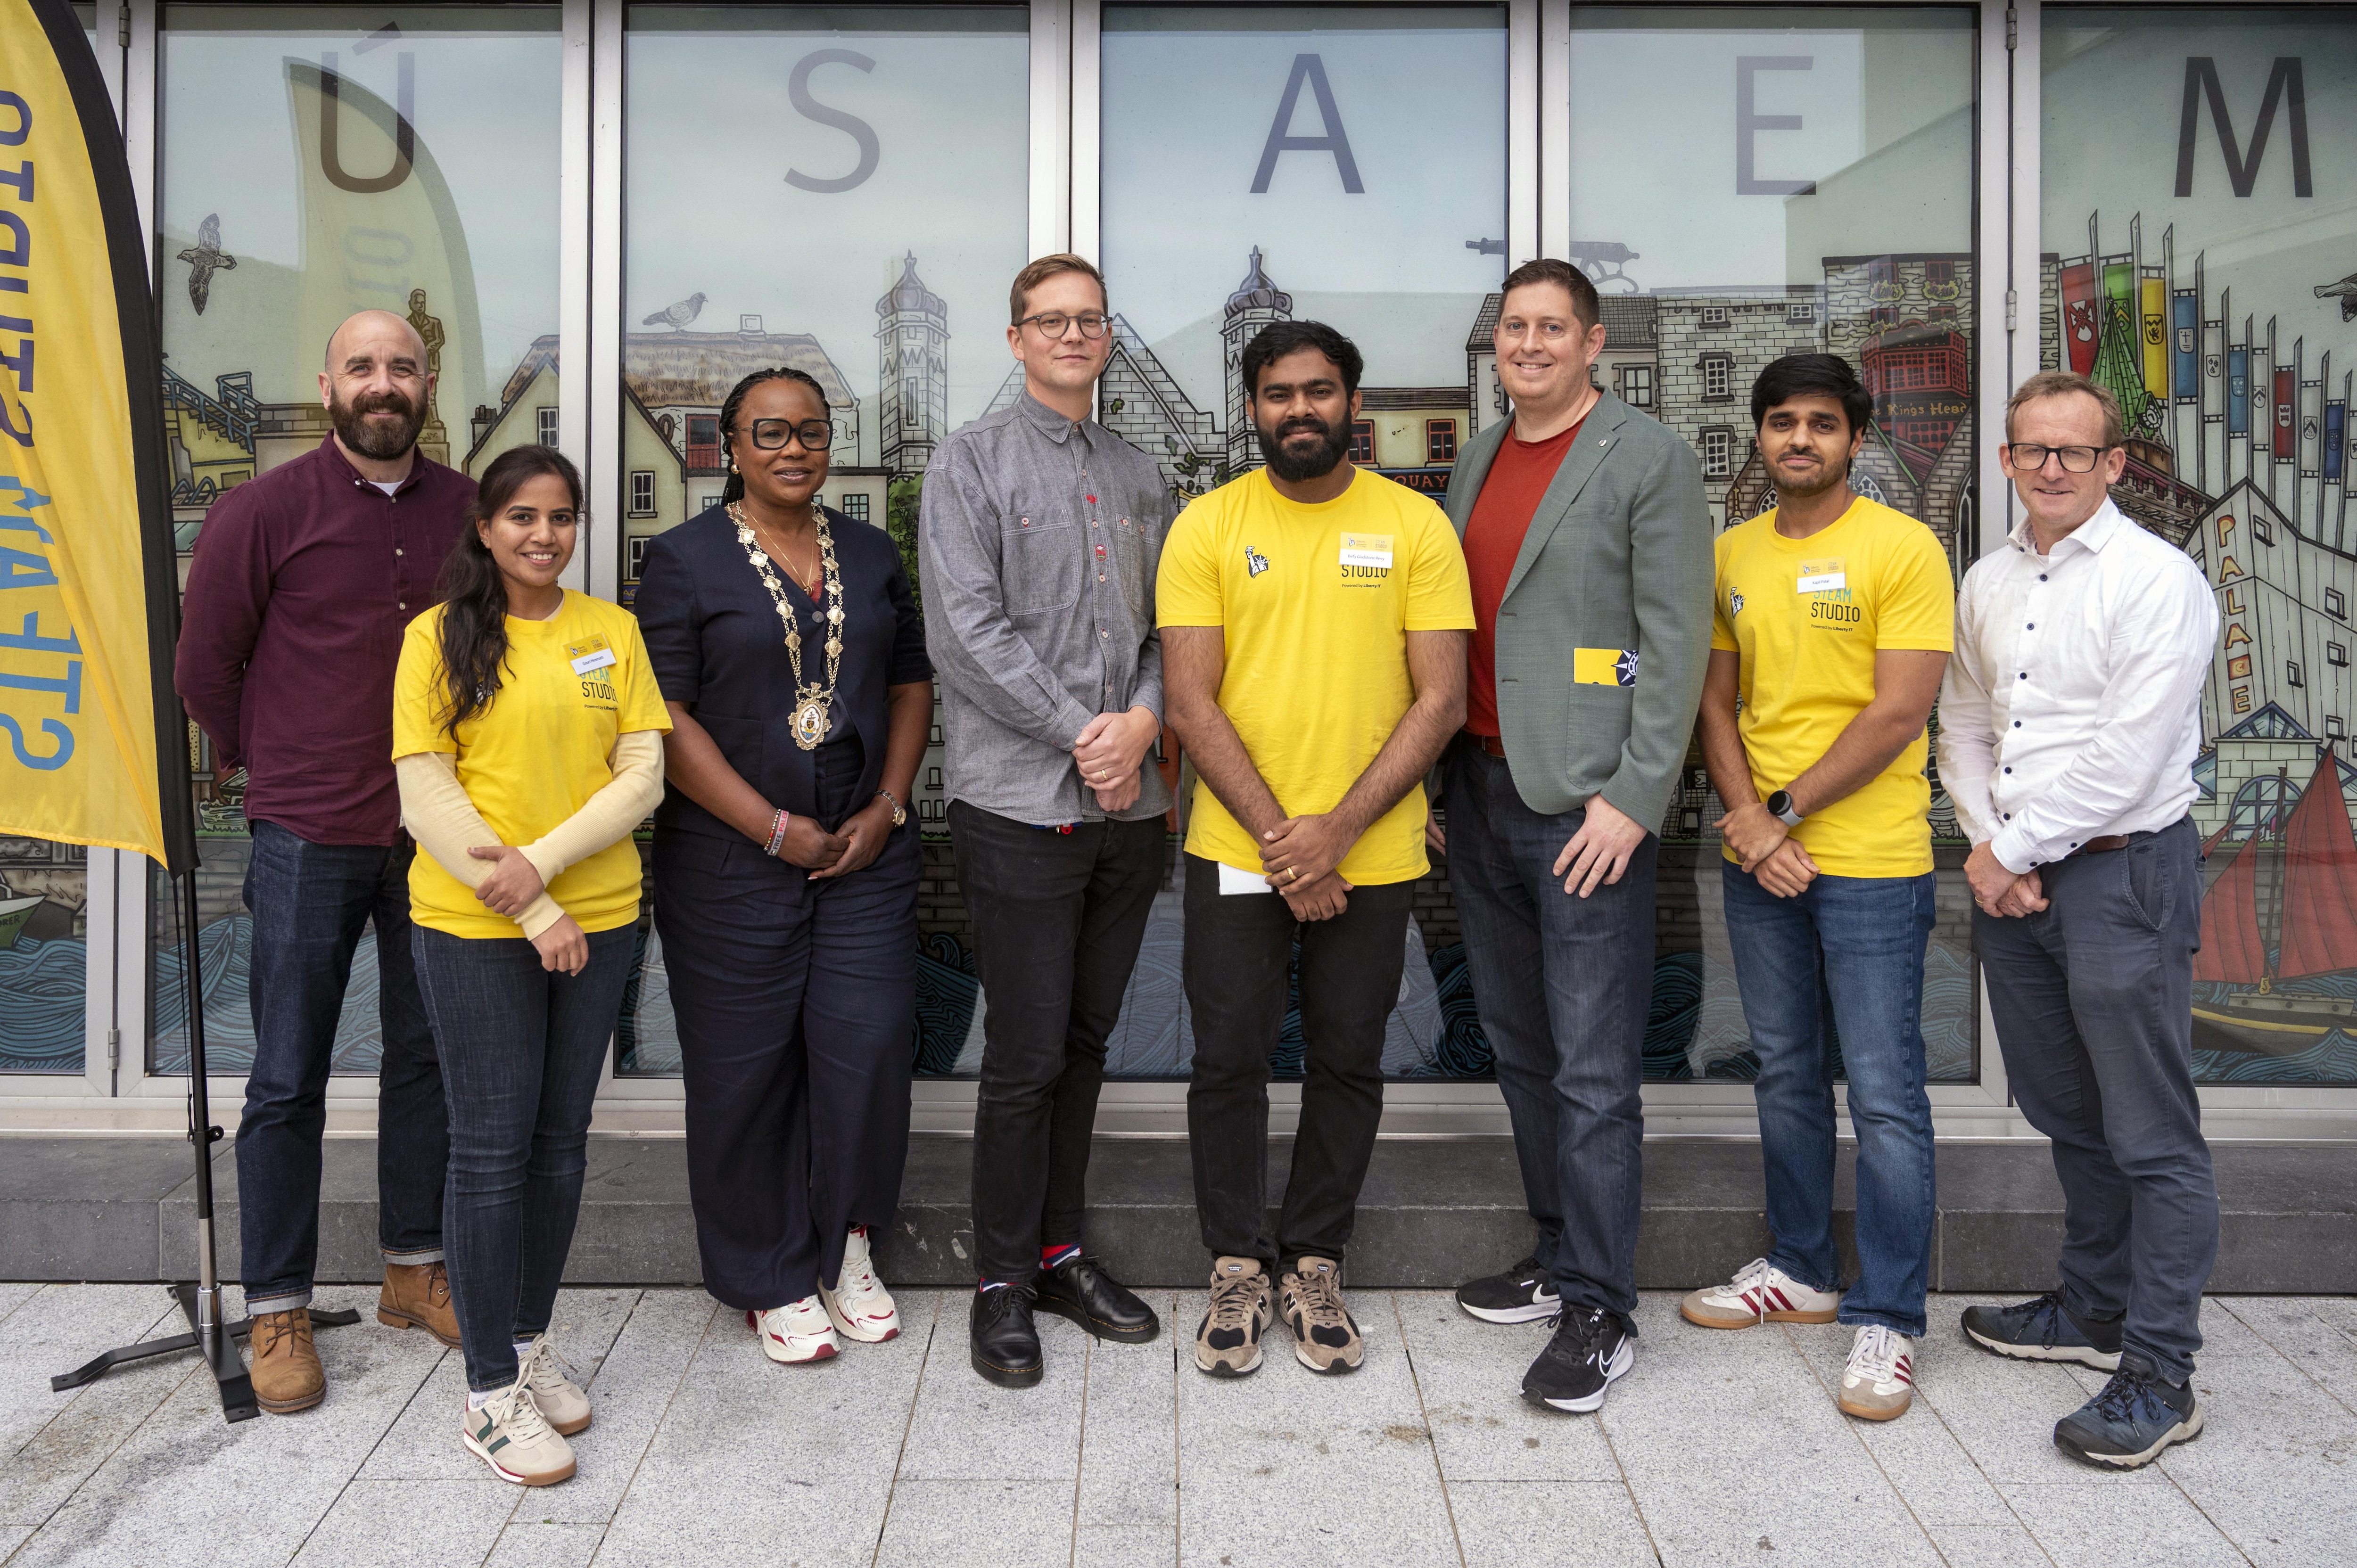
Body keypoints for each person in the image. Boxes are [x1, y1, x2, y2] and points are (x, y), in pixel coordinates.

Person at [1161, 320, 1472, 1379]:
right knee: (1228, 1060)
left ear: (1353, 402)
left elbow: (1442, 698)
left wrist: (1334, 832)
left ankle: (1315, 1260)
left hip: (1370, 851)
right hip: (1236, 845)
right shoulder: (1206, 524)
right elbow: (1190, 702)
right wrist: (1286, 843)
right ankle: (1236, 1263)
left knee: (1347, 1058)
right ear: (1253, 407)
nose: (1301, 409)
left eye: (1320, 390)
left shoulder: (1415, 524)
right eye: (1279, 393)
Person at [175, 308, 469, 1414]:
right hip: (307, 831)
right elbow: (205, 668)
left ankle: (413, 1268)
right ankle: (278, 1304)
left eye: (402, 366)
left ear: (427, 383)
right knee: (288, 1072)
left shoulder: (469, 510)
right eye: (362, 366)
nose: (383, 382)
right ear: (329, 383)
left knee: (425, 1055)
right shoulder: (260, 511)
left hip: (435, 830)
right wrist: (274, 761)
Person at [1439, 258, 1711, 1414]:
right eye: (1515, 326)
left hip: (1586, 804)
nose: (1531, 344)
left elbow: (1676, 640)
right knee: (1520, 1042)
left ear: (1592, 342)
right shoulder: (1477, 457)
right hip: (1479, 788)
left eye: (1553, 327)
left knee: (1595, 1066)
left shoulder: (1648, 458)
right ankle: (1557, 1250)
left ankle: (1601, 1304)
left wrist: (1635, 796)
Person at [1937, 370, 2219, 1469]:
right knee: (2067, 1112)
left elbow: (2128, 755)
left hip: (2122, 871)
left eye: (2073, 450)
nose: (2050, 467)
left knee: (2152, 1134)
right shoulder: (1988, 578)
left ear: (2113, 464)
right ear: (2007, 459)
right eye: (2031, 449)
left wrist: (2005, 853)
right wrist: (1990, 847)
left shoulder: (2158, 579)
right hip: (2016, 880)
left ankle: (2160, 1371)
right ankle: (2092, 1307)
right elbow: (1965, 724)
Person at [632, 367, 931, 1366]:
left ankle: (847, 1243)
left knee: (869, 1048)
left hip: (863, 851)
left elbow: (910, 683)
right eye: (770, 432)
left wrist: (889, 806)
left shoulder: (871, 551)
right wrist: (769, 827)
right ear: (731, 445)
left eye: (811, 430)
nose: (795, 448)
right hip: (731, 858)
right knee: (744, 1068)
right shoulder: (683, 560)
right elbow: (665, 716)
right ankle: (767, 1271)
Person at [391, 447, 669, 1486]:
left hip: (598, 917)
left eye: (560, 517)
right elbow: (427, 794)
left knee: (559, 1145)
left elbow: (641, 776)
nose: (543, 535)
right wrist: (532, 903)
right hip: (473, 926)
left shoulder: (611, 632)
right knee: (490, 1150)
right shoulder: (436, 636)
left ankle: (528, 1337)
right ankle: (487, 1390)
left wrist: (543, 871)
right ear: (485, 526)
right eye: (521, 516)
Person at [1685, 354, 1953, 1421]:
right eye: (1783, 421)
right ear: (1760, 435)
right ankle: (1799, 1267)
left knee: (1884, 1093)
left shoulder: (1904, 547)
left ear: (1855, 438)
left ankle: (1889, 1314)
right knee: (1786, 1072)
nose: (1800, 438)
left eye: (1823, 423)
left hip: (1871, 861)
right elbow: (1714, 703)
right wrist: (1751, 827)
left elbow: (1900, 711)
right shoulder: (1730, 554)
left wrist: (1778, 814)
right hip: (1762, 860)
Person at [921, 254, 1171, 1388]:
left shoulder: (1141, 473)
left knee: (1084, 1044)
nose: (1072, 335)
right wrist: (1087, 734)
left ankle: (1062, 1253)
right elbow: (965, 633)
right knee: (1024, 1055)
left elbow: (1171, 627)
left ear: (1106, 337)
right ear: (1016, 338)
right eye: (1049, 320)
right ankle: (1001, 1279)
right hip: (1021, 807)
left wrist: (1144, 722)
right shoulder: (968, 461)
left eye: (1089, 319)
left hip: (1131, 812)